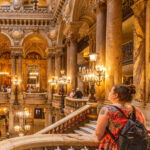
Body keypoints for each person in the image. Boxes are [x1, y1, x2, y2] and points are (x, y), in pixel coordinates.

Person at [95, 84, 146, 150]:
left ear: (116, 95)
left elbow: (98, 133)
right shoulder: (137, 110)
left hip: (114, 146)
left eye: (110, 91)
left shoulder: (107, 110)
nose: (109, 93)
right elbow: (143, 129)